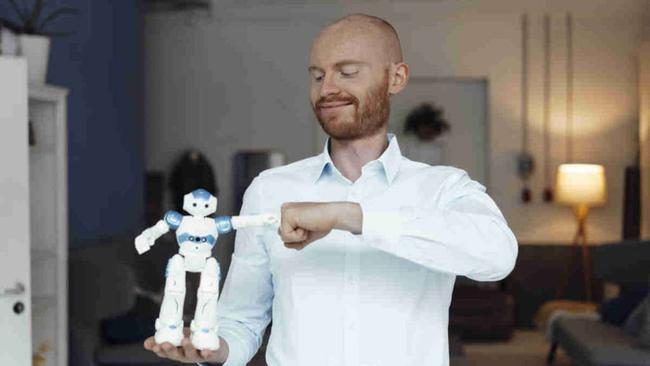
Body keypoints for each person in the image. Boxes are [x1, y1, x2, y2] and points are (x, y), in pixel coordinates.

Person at [144, 13, 518, 366]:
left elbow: (498, 256)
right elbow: (241, 320)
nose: (328, 89)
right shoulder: (270, 190)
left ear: (397, 78)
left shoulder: (443, 188)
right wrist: (212, 350)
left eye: (348, 72)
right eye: (318, 76)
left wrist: (349, 216)